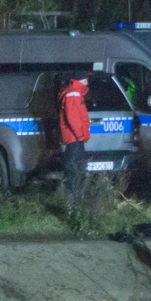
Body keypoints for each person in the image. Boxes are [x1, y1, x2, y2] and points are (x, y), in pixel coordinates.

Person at [59, 73, 90, 205]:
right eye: (86, 77)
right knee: (73, 169)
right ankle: (71, 203)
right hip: (74, 138)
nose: (88, 79)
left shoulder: (76, 93)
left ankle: (76, 200)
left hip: (76, 137)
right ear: (80, 79)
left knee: (77, 168)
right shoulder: (73, 94)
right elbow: (73, 119)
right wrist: (80, 135)